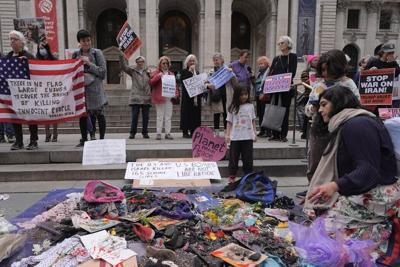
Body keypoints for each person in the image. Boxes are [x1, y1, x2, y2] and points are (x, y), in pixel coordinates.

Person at [305, 86, 399, 246]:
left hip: (378, 194)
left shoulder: (357, 125)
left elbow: (368, 170)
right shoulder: (353, 122)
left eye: (324, 104)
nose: (320, 110)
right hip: (368, 190)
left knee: (320, 238)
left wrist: (335, 186)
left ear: (338, 103)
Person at [299, 50, 360, 197]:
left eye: (328, 69)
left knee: (338, 162)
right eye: (323, 69)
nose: (325, 73)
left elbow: (357, 105)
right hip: (319, 129)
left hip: (341, 129)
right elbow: (307, 109)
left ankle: (335, 189)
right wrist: (313, 108)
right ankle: (313, 188)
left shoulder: (348, 84)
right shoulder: (319, 84)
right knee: (315, 161)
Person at [72, 29, 107, 147]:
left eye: (88, 40)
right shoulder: (75, 55)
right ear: (79, 42)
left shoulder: (97, 53)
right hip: (82, 91)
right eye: (83, 41)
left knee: (99, 114)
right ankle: (84, 138)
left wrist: (89, 64)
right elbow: (72, 72)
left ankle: (102, 139)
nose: (86, 43)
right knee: (83, 115)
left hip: (96, 90)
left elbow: (102, 72)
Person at [6, 30, 37, 150]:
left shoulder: (29, 56)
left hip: (28, 93)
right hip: (12, 94)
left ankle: (33, 140)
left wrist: (27, 63)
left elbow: (37, 72)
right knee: (14, 118)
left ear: (22, 42)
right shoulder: (7, 57)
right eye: (11, 39)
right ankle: (18, 141)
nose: (12, 41)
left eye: (15, 39)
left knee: (31, 117)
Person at [268, 36, 298, 142]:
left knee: (284, 111)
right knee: (274, 110)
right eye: (279, 43)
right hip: (274, 88)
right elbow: (271, 72)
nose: (280, 45)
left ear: (288, 44)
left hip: (286, 88)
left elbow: (292, 72)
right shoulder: (276, 58)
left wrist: (284, 80)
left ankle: (283, 134)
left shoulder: (293, 57)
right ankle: (274, 134)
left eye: (282, 43)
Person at [225, 85, 257, 183]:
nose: (244, 97)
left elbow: (253, 121)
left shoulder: (250, 106)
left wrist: (255, 133)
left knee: (248, 158)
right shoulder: (233, 107)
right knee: (233, 158)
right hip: (235, 137)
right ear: (237, 95)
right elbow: (229, 122)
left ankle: (248, 176)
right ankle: (232, 176)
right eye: (242, 95)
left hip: (248, 136)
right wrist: (227, 135)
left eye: (246, 94)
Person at [119, 55, 151, 139]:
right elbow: (123, 67)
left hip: (146, 97)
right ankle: (132, 133)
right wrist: (121, 55)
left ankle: (145, 132)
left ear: (144, 63)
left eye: (142, 61)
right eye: (138, 61)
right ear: (136, 63)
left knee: (146, 117)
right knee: (135, 117)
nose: (140, 63)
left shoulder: (148, 72)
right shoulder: (133, 71)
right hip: (136, 97)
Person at [149, 56, 179, 140]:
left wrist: (176, 93)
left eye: (167, 63)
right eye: (163, 63)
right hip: (160, 97)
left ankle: (167, 133)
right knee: (159, 116)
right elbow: (151, 83)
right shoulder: (156, 72)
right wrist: (158, 76)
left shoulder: (171, 74)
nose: (165, 65)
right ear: (160, 64)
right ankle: (158, 133)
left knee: (168, 116)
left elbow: (175, 86)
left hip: (169, 98)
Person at [205, 53, 236, 136]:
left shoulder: (227, 70)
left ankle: (227, 131)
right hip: (216, 95)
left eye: (217, 59)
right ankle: (216, 132)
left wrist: (232, 74)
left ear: (222, 60)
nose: (216, 61)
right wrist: (208, 86)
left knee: (227, 113)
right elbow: (205, 84)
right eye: (214, 60)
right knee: (216, 113)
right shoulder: (211, 72)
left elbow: (235, 83)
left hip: (227, 94)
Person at [36, 38, 58, 142]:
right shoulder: (36, 61)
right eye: (39, 48)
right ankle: (47, 134)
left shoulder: (53, 60)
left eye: (43, 47)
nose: (41, 50)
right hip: (41, 90)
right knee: (45, 113)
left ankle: (55, 133)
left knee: (53, 113)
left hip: (52, 89)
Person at [180, 54, 201, 138]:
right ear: (187, 62)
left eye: (193, 61)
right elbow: (184, 82)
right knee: (186, 113)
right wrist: (189, 71)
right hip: (187, 97)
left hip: (196, 97)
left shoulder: (198, 72)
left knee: (195, 114)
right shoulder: (184, 71)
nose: (192, 62)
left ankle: (194, 131)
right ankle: (185, 131)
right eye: (190, 61)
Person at [254, 56, 271, 137]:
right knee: (260, 113)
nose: (260, 65)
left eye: (262, 64)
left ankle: (268, 131)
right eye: (259, 64)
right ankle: (262, 130)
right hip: (258, 95)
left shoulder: (268, 72)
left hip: (265, 95)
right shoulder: (260, 72)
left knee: (265, 113)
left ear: (266, 64)